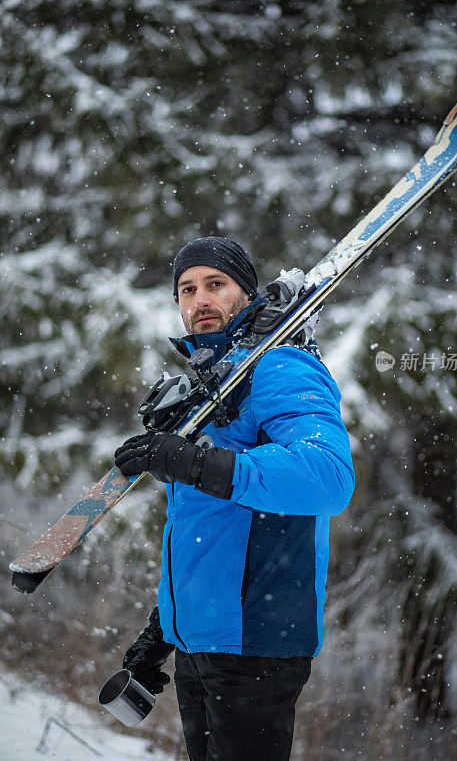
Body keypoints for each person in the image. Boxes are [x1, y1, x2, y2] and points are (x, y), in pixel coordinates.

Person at [114, 236, 355, 761]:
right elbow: (207, 532)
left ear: (245, 294)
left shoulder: (280, 367)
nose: (199, 299)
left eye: (215, 285)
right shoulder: (210, 387)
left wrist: (193, 463)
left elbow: (329, 474)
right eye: (187, 289)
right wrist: (162, 634)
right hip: (206, 645)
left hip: (257, 643)